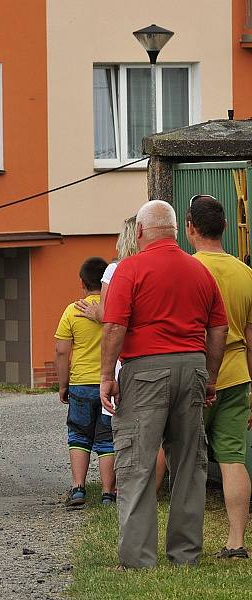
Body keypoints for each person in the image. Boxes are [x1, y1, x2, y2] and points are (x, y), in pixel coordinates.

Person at [100, 200, 228, 569]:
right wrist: (210, 376)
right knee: (189, 462)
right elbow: (218, 327)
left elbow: (113, 325)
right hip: (192, 366)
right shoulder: (200, 271)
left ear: (139, 232)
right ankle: (185, 555)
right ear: (175, 230)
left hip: (144, 371)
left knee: (137, 462)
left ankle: (139, 558)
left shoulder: (130, 269)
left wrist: (108, 375)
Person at [76, 215, 166, 494]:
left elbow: (110, 315)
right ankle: (155, 489)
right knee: (158, 433)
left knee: (124, 427)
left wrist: (95, 313)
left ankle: (121, 488)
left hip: (126, 358)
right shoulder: (156, 266)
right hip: (159, 353)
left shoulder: (115, 270)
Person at [187, 194, 252, 559]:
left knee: (190, 460)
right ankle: (236, 541)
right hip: (238, 374)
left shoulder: (189, 270)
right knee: (232, 458)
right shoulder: (246, 273)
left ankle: (187, 540)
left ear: (190, 227)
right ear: (226, 226)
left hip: (197, 373)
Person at [55, 257, 115, 509]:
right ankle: (107, 493)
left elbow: (61, 351)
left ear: (82, 282)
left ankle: (78, 488)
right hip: (108, 384)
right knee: (106, 439)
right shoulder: (112, 309)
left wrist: (63, 385)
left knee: (78, 435)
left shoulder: (73, 311)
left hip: (80, 384)